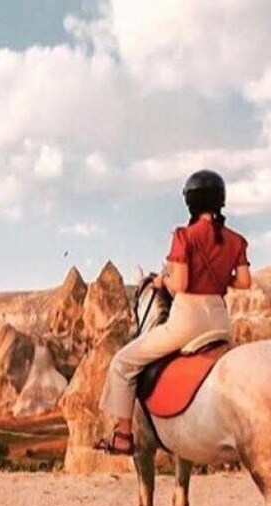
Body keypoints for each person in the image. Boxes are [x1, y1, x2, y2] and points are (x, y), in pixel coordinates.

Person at [96, 170, 252, 455]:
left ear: (190, 202)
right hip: (219, 320)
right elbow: (244, 281)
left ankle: (123, 435)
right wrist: (219, 278)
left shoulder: (184, 236)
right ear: (220, 200)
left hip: (187, 321)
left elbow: (179, 284)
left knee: (122, 362)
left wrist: (160, 281)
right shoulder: (236, 240)